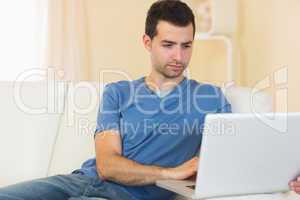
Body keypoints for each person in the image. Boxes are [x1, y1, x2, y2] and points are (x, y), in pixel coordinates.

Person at [0, 0, 299, 200]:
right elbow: (107, 165)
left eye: (186, 46)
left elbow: (242, 156)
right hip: (80, 179)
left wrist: (290, 173)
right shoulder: (117, 92)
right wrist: (171, 172)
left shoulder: (210, 98)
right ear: (148, 42)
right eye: (168, 45)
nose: (178, 57)